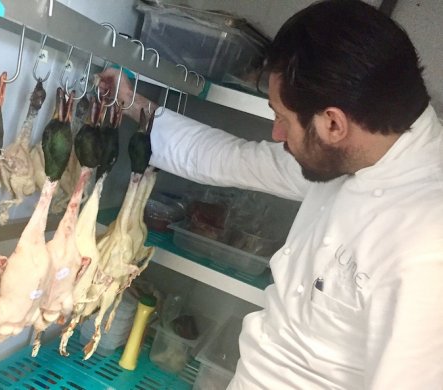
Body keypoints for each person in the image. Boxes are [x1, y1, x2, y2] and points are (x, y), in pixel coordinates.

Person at [99, 0, 443, 388]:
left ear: (333, 124)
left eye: (281, 118)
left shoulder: (427, 246)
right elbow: (232, 159)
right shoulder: (358, 152)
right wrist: (132, 104)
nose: (276, 134)